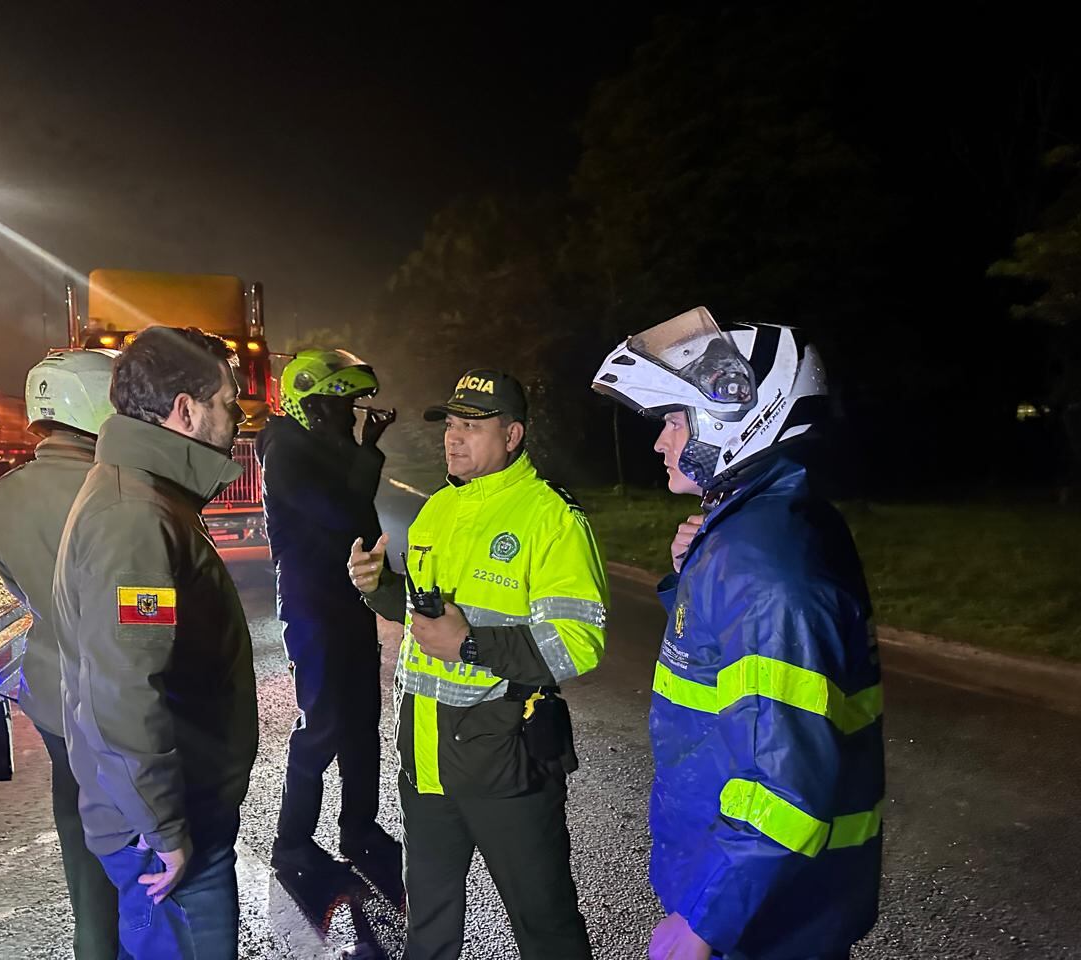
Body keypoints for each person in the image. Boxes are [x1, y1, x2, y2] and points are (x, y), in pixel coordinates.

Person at [592, 307, 885, 960]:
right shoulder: (763, 527)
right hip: (763, 897)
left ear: (735, 417)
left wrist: (703, 923)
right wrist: (693, 573)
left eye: (672, 419)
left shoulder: (764, 570)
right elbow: (729, 681)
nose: (660, 443)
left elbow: (783, 787)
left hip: (761, 920)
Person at [347, 369, 608, 960]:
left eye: (472, 426)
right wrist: (379, 588)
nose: (453, 438)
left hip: (505, 758)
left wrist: (472, 647)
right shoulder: (438, 509)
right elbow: (427, 615)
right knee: (429, 926)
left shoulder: (551, 518)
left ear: (513, 435)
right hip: (426, 754)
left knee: (545, 926)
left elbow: (580, 641)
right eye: (451, 425)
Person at [52, 326, 259, 960]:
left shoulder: (145, 494)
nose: (237, 417)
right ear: (186, 410)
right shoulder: (134, 517)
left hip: (168, 810)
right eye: (227, 402)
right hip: (165, 832)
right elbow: (122, 691)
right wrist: (163, 826)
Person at [0, 348, 119, 960]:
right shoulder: (117, 491)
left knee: (78, 828)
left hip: (52, 692)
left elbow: (16, 586)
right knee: (148, 848)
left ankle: (93, 943)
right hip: (123, 696)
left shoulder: (3, 494)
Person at [257, 349, 401, 880]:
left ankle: (359, 827)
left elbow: (357, 514)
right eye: (343, 409)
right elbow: (345, 511)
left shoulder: (319, 444)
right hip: (312, 603)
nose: (353, 417)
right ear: (311, 409)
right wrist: (362, 450)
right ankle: (292, 841)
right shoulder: (286, 452)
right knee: (323, 723)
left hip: (347, 601)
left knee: (362, 720)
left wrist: (360, 447)